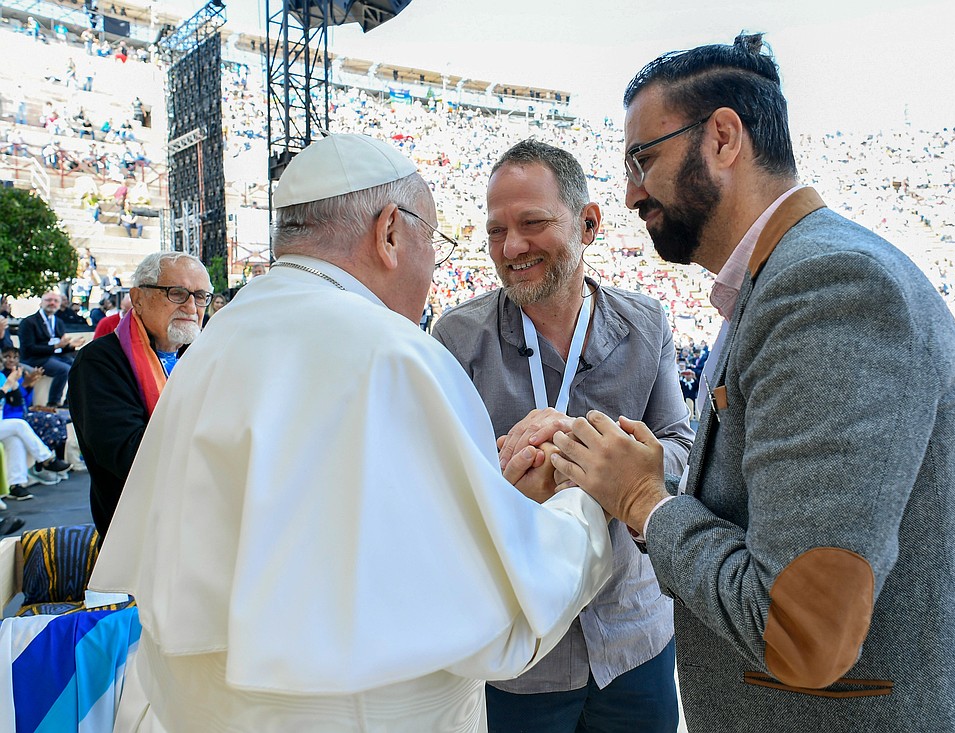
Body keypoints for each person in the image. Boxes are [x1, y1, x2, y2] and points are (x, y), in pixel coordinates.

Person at [549, 35, 955, 732]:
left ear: (723, 137)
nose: (629, 193)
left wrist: (643, 499)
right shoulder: (779, 281)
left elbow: (802, 630)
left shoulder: (827, 286)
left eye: (642, 159)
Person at [88, 134, 613, 732]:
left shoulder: (216, 340)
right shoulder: (391, 353)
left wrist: (487, 490)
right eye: (433, 244)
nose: (433, 270)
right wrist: (586, 499)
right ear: (390, 232)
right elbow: (494, 607)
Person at [432, 140, 692, 733]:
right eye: (496, 231)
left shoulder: (646, 323)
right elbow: (438, 488)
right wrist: (503, 481)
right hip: (522, 652)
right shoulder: (456, 338)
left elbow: (681, 447)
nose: (511, 247)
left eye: (533, 223)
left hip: (633, 639)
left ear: (590, 223)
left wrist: (597, 455)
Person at [69, 254, 210, 536]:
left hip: (200, 521)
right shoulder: (100, 362)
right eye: (177, 293)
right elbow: (129, 455)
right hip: (138, 535)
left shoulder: (202, 356)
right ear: (138, 298)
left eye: (201, 295)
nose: (192, 306)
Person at [18, 291, 85, 406]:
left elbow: (60, 347)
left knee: (79, 366)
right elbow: (28, 348)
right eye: (49, 300)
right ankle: (53, 402)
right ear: (41, 303)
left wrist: (71, 346)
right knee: (65, 370)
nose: (52, 303)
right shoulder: (29, 322)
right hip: (35, 358)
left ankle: (70, 401)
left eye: (56, 301)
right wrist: (56, 346)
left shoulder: (58, 322)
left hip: (55, 356)